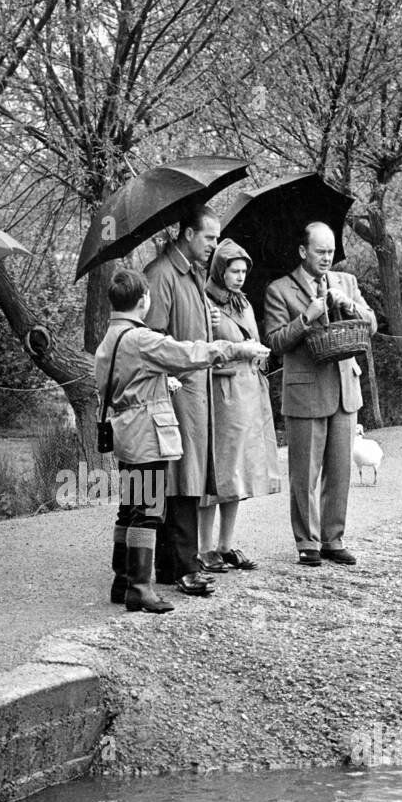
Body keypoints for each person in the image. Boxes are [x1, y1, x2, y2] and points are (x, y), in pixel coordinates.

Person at [97, 269, 268, 612]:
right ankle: (141, 588)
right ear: (143, 301)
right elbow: (189, 353)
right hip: (147, 434)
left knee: (129, 510)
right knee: (147, 513)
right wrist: (236, 348)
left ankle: (123, 580)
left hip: (126, 433)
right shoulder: (140, 339)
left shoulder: (110, 339)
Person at [263, 222, 377, 567]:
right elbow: (275, 342)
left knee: (340, 471)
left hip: (345, 389)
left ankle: (333, 539)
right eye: (320, 251)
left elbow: (370, 324)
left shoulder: (347, 282)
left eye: (330, 251)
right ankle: (307, 542)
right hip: (306, 391)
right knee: (305, 474)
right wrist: (307, 318)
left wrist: (350, 306)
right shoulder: (279, 290)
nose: (327, 258)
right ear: (303, 252)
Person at [143, 203, 222, 596]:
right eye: (209, 237)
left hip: (196, 394)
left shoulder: (192, 275)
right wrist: (172, 382)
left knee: (188, 478)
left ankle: (178, 564)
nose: (215, 245)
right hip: (175, 395)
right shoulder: (161, 275)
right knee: (177, 478)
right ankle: (179, 566)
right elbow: (153, 341)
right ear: (189, 234)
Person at [197, 239, 281, 573]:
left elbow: (252, 340)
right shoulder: (204, 302)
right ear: (220, 269)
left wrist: (258, 352)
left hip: (248, 393)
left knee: (239, 472)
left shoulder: (243, 303)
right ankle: (204, 548)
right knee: (216, 473)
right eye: (234, 270)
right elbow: (201, 347)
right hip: (221, 393)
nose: (240, 277)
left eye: (244, 271)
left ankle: (226, 545)